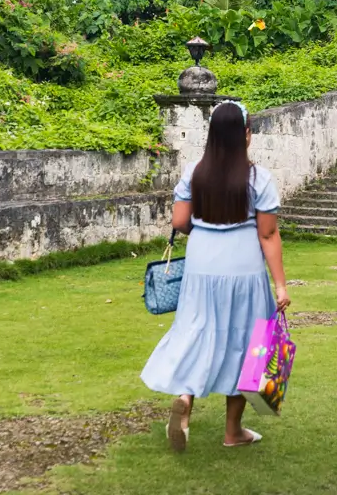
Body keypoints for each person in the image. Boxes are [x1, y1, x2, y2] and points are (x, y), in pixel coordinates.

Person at [141, 100, 290, 452]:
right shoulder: (258, 179)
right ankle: (232, 431)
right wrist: (281, 285)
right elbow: (268, 235)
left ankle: (186, 398)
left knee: (197, 329)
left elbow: (179, 222)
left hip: (202, 263)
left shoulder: (194, 173)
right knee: (247, 342)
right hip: (244, 267)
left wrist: (208, 232)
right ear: (246, 136)